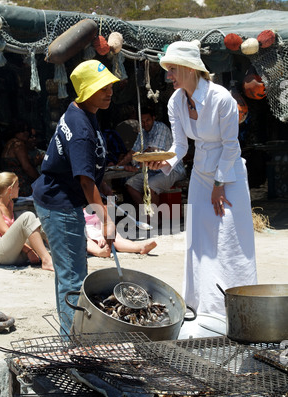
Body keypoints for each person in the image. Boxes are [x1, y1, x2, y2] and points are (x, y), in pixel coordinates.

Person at [148, 41, 257, 319]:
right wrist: (167, 162)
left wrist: (219, 185)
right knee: (199, 239)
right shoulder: (175, 101)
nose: (169, 76)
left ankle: (236, 304)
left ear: (188, 68)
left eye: (172, 69)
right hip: (200, 172)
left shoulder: (222, 98)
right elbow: (181, 146)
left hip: (229, 172)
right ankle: (202, 304)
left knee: (230, 238)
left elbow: (232, 146)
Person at [32, 60, 120, 333]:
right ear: (85, 90)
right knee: (73, 280)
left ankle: (70, 339)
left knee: (69, 274)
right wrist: (106, 219)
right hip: (60, 204)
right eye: (101, 87)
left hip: (59, 198)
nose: (109, 92)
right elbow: (84, 181)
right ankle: (72, 347)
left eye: (109, 86)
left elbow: (89, 171)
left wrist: (104, 190)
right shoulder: (81, 129)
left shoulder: (81, 111)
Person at [119, 107, 186, 207]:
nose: (145, 123)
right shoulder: (143, 132)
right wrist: (118, 165)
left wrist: (137, 167)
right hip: (153, 170)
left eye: (148, 120)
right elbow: (133, 152)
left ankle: (154, 220)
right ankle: (146, 215)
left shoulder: (161, 128)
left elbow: (152, 153)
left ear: (154, 118)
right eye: (142, 121)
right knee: (130, 185)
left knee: (151, 185)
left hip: (172, 169)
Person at [0, 172, 53, 271]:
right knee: (28, 216)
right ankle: (47, 261)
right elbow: (5, 232)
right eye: (17, 186)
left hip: (13, 254)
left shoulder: (10, 204)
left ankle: (59, 255)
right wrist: (29, 251)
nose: (19, 188)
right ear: (10, 189)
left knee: (39, 222)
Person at [84, 209, 157, 257]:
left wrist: (104, 235)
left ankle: (139, 247)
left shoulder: (95, 206)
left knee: (116, 238)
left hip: (99, 228)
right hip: (86, 230)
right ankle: (99, 252)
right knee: (85, 239)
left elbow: (104, 219)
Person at [1, 121, 42, 196]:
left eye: (27, 131)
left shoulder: (9, 144)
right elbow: (27, 167)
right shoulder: (18, 144)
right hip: (20, 186)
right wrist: (40, 180)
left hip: (9, 185)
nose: (26, 133)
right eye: (22, 131)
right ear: (15, 132)